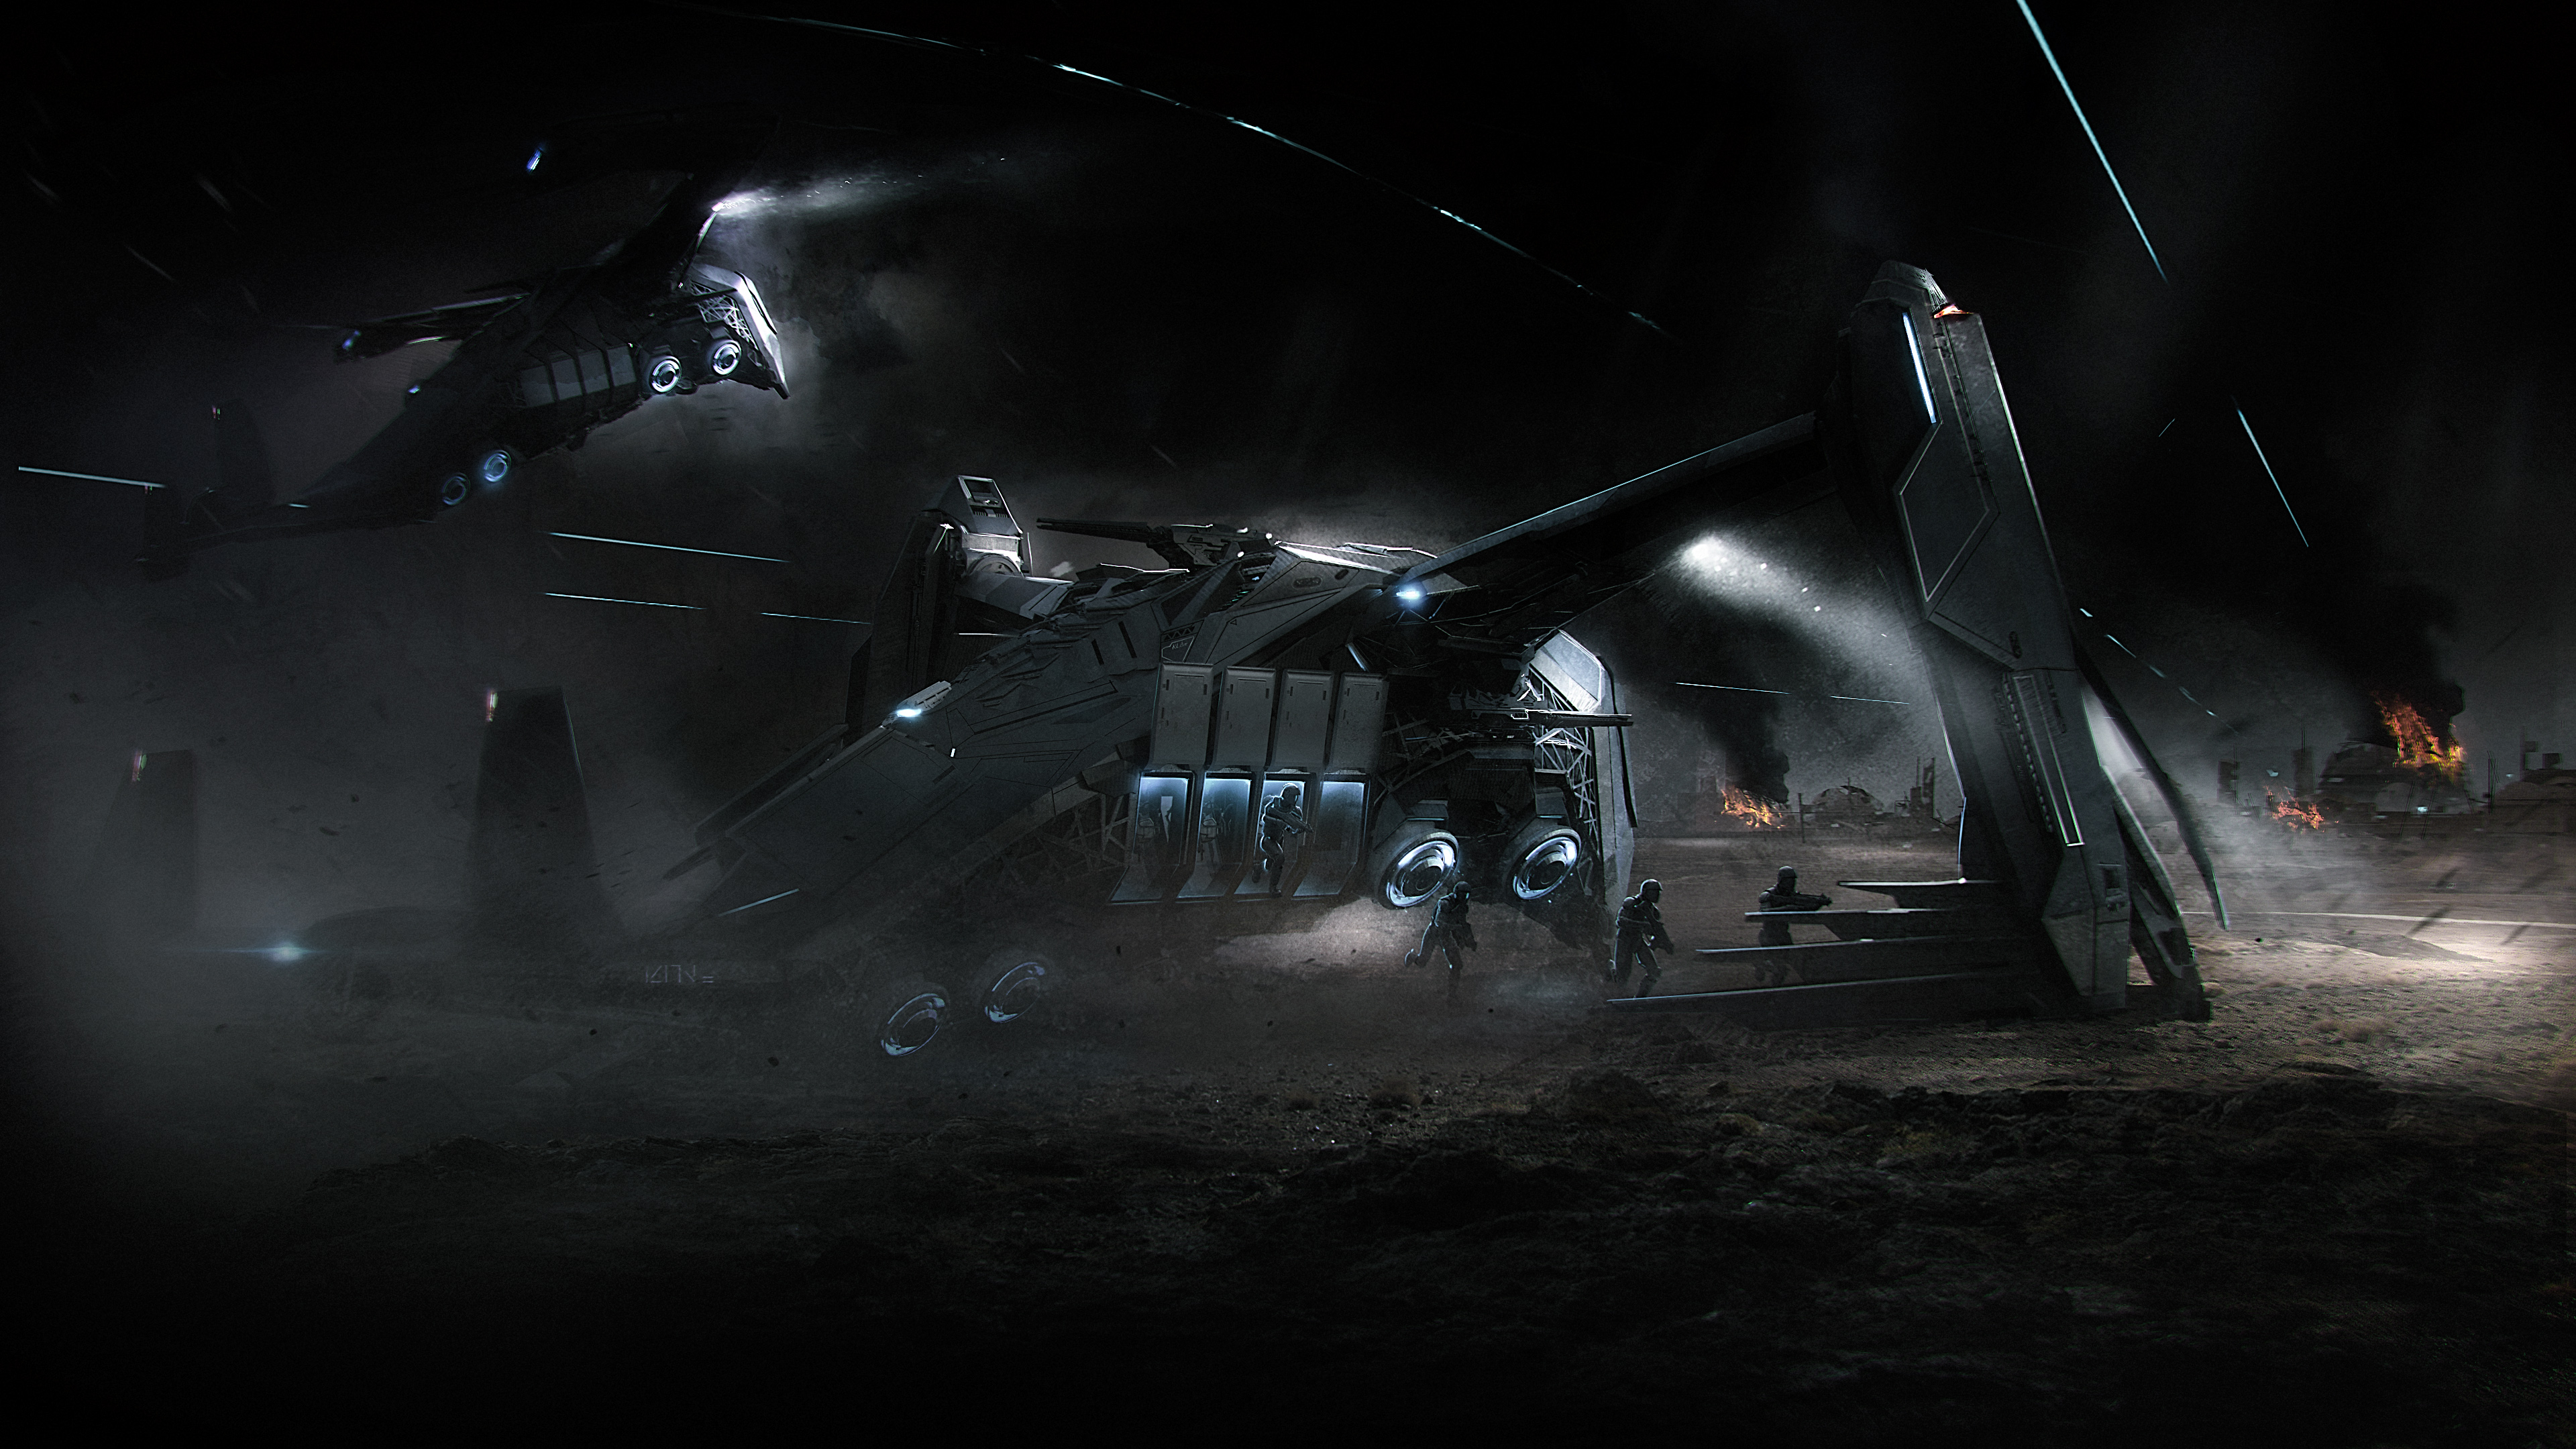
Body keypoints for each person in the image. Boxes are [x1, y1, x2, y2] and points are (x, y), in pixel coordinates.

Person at [1754, 865, 1833, 985]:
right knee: (1780, 968)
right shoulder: (1770, 894)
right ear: (1781, 880)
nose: (1792, 883)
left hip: (1783, 935)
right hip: (1769, 935)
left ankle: (1772, 978)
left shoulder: (1792, 896)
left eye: (1793, 880)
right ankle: (1763, 967)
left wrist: (1818, 904)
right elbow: (1765, 913)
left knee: (1791, 961)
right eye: (1789, 880)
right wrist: (1788, 908)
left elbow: (1805, 909)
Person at [1605, 878, 1676, 994]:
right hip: (1625, 940)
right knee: (1621, 980)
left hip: (1638, 940)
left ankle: (1640, 998)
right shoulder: (1631, 903)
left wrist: (1661, 942)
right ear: (1646, 892)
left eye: (1658, 892)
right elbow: (1621, 922)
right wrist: (1643, 925)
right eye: (1654, 892)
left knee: (1654, 971)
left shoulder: (1654, 911)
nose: (1657, 895)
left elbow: (1655, 931)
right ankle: (1610, 967)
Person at [1405, 880, 1477, 991]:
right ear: (1456, 894)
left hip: (1446, 936)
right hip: (1434, 934)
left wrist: (1469, 939)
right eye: (1462, 895)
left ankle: (1452, 993)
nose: (1464, 898)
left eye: (1466, 896)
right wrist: (1455, 928)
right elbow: (1439, 923)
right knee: (1422, 962)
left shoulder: (1462, 907)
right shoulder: (1445, 903)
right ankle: (1413, 956)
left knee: (1457, 964)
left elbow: (1463, 924)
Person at [1251, 784, 1307, 895]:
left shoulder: (1295, 810)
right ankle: (1273, 888)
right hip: (1268, 838)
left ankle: (1258, 868)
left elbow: (1296, 826)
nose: (1295, 799)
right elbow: (1265, 817)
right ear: (1286, 794)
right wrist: (1279, 822)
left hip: (1279, 839)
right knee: (1280, 858)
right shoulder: (1273, 804)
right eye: (1293, 796)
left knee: (1269, 864)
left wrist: (1296, 829)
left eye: (1296, 797)